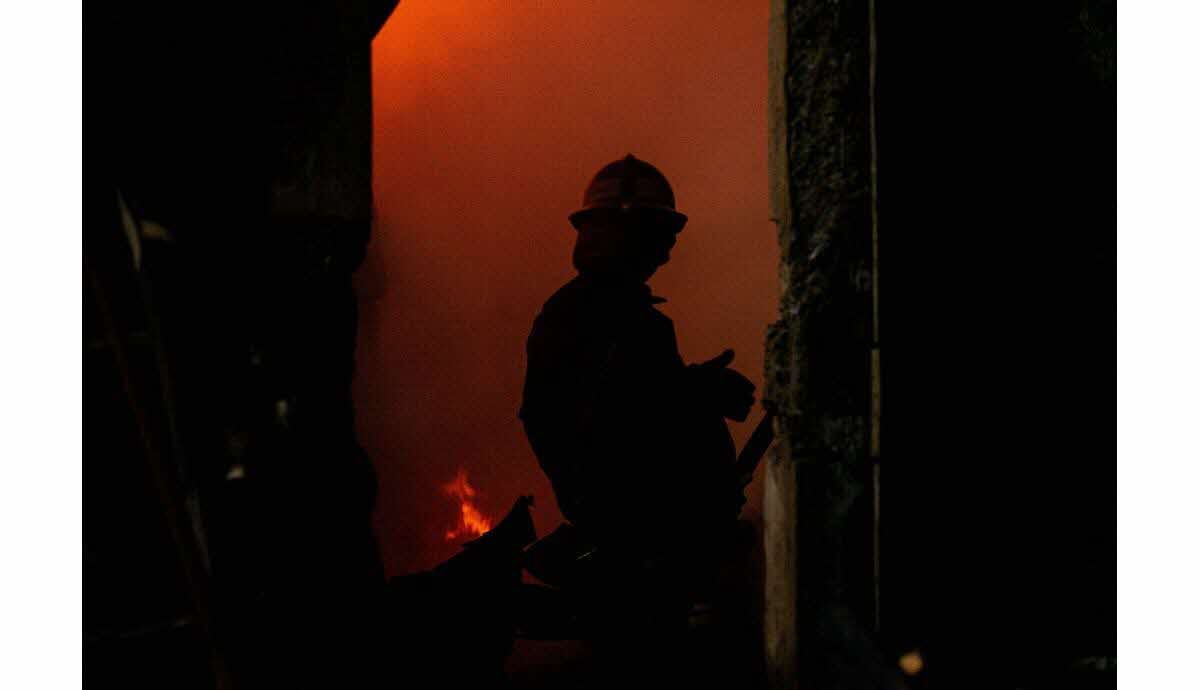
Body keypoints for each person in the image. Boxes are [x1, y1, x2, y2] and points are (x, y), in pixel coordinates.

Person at [519, 155, 755, 615]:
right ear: (620, 234)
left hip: (651, 542)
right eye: (657, 236)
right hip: (637, 549)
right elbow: (609, 419)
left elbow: (635, 394)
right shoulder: (587, 317)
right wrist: (697, 393)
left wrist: (692, 386)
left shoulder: (618, 315)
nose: (665, 253)